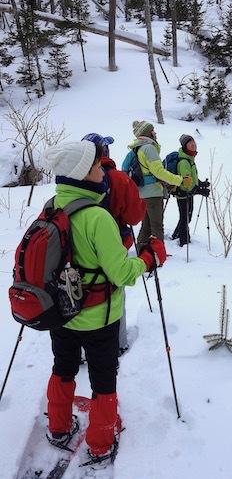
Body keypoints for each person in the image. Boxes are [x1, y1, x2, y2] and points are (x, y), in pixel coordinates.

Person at [42, 140, 166, 469]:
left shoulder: (53, 205)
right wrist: (150, 257)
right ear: (83, 175)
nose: (103, 172)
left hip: (61, 314)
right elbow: (122, 273)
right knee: (103, 379)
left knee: (63, 367)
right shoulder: (97, 217)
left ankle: (57, 428)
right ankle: (99, 444)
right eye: (97, 167)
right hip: (99, 318)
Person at [82, 133, 146, 356]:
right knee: (113, 291)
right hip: (115, 242)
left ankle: (81, 349)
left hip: (79, 245)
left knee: (78, 290)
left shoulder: (73, 177)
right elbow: (135, 216)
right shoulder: (118, 178)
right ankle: (118, 344)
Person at [123, 120, 190, 248]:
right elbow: (159, 172)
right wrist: (180, 180)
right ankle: (159, 253)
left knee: (147, 226)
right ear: (148, 133)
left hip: (142, 193)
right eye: (153, 130)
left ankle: (141, 250)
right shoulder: (148, 148)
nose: (155, 133)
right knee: (157, 226)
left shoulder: (138, 148)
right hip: (153, 193)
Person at [170, 134, 210, 247]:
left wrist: (201, 184)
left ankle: (176, 235)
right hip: (184, 195)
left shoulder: (189, 159)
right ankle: (184, 240)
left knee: (186, 217)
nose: (193, 144)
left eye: (194, 142)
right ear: (184, 146)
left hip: (187, 194)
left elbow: (192, 178)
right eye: (190, 142)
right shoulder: (184, 162)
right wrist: (200, 191)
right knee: (185, 217)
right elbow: (187, 183)